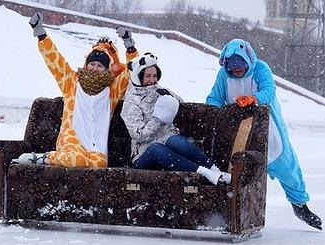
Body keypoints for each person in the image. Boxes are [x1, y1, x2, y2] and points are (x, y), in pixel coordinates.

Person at [205, 39, 323, 230]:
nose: (236, 69)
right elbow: (214, 98)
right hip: (237, 132)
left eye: (240, 64)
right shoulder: (223, 76)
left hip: (268, 129)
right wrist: (215, 113)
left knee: (287, 167)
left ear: (247, 60)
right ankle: (231, 211)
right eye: (232, 65)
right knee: (235, 172)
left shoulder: (260, 68)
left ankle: (300, 205)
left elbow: (269, 90)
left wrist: (254, 99)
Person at [17, 12, 138, 168]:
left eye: (100, 66)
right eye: (92, 64)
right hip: (72, 142)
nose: (95, 68)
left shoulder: (111, 91)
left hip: (95, 147)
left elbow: (133, 70)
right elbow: (55, 61)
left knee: (99, 164)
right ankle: (45, 158)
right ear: (87, 64)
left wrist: (129, 45)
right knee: (75, 160)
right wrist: (41, 35)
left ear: (106, 69)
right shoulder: (71, 82)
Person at [120, 53, 232, 185]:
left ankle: (216, 170)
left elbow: (179, 103)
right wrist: (159, 118)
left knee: (178, 142)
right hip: (144, 152)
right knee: (156, 148)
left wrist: (170, 98)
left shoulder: (159, 90)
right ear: (138, 77)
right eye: (148, 76)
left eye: (155, 76)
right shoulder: (131, 102)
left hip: (166, 138)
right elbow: (139, 135)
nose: (152, 80)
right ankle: (204, 172)